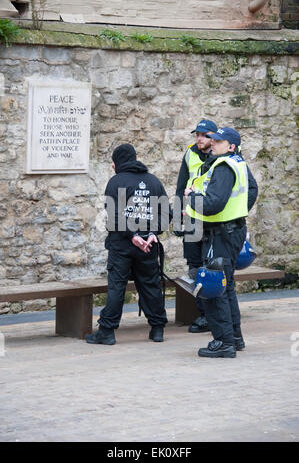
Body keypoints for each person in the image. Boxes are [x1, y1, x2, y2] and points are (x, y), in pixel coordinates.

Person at [85, 144, 171, 345]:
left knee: (117, 286)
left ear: (116, 163)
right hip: (148, 246)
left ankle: (107, 331)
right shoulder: (153, 181)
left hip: (122, 245)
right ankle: (157, 329)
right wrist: (152, 233)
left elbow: (113, 215)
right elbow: (166, 212)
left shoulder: (115, 182)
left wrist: (132, 235)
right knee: (150, 285)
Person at [185, 127, 258, 358]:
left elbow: (213, 203)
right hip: (229, 230)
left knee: (214, 287)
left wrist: (192, 199)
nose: (212, 143)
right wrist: (237, 213)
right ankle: (234, 338)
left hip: (221, 234)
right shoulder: (238, 162)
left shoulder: (224, 165)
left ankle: (224, 342)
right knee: (226, 288)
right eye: (213, 139)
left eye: (218, 141)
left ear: (231, 146)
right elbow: (251, 190)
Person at [175, 119, 218, 333]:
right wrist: (175, 218)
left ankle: (216, 316)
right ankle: (203, 315)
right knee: (193, 267)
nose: (199, 138)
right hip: (192, 219)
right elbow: (180, 186)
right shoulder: (190, 153)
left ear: (214, 137)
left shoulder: (222, 156)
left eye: (204, 135)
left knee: (211, 267)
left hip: (212, 220)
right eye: (197, 135)